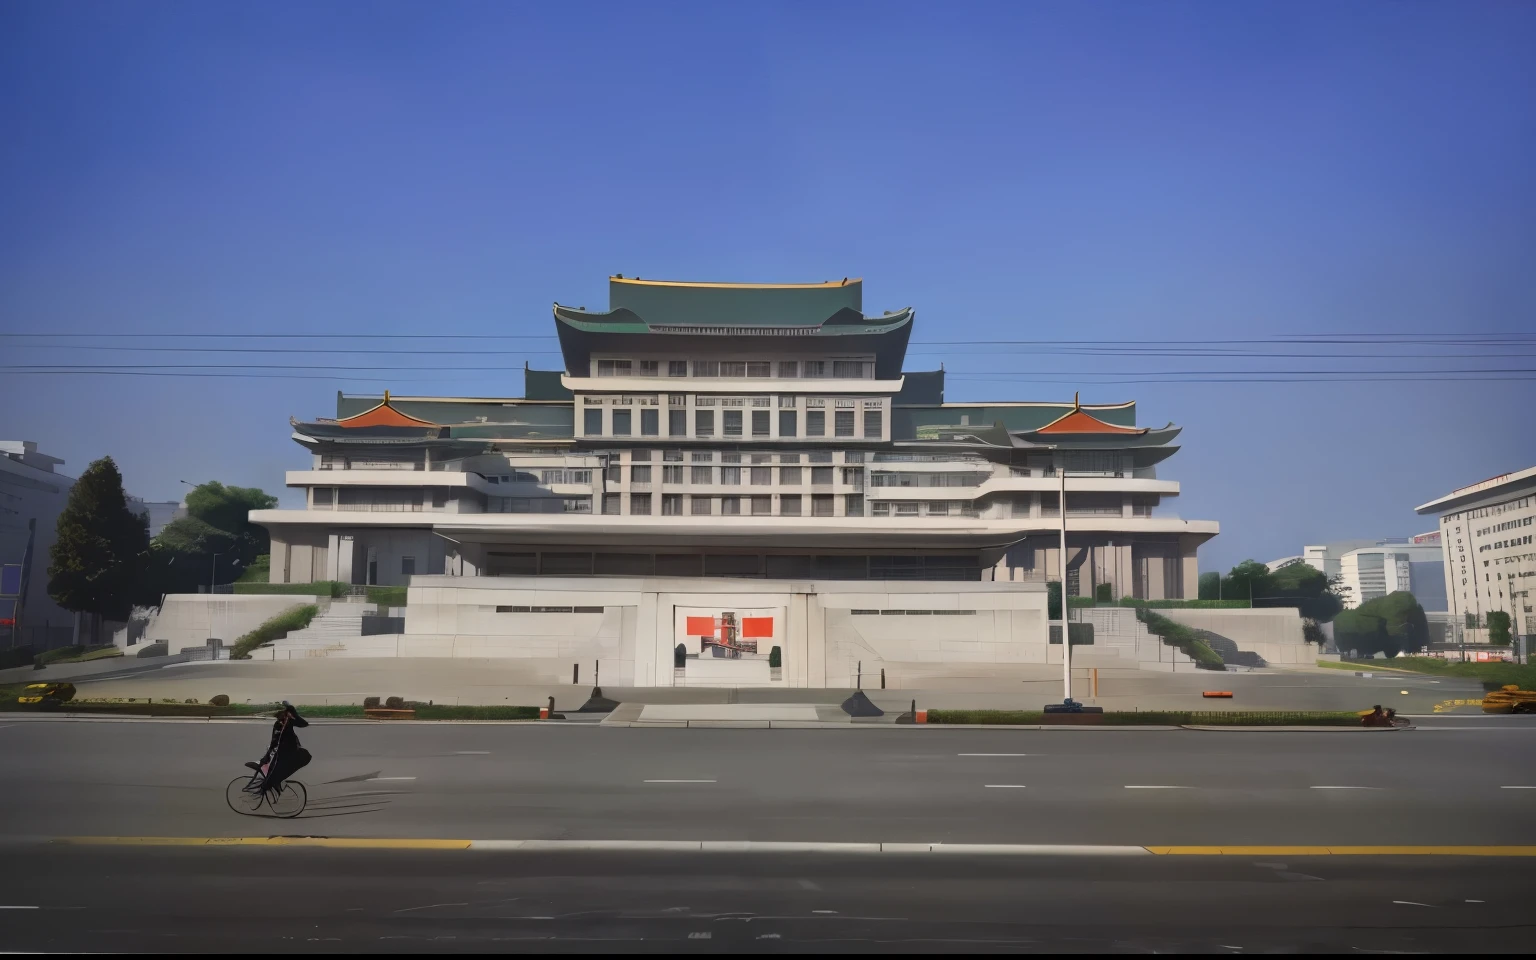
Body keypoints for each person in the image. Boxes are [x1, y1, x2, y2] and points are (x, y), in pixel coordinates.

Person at [252, 701, 311, 792]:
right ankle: (268, 786)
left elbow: (304, 724)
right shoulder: (278, 725)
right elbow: (274, 742)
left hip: (291, 752)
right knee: (273, 772)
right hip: (282, 753)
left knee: (303, 757)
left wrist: (294, 713)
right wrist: (267, 756)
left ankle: (273, 783)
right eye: (279, 714)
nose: (281, 716)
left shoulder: (289, 721)